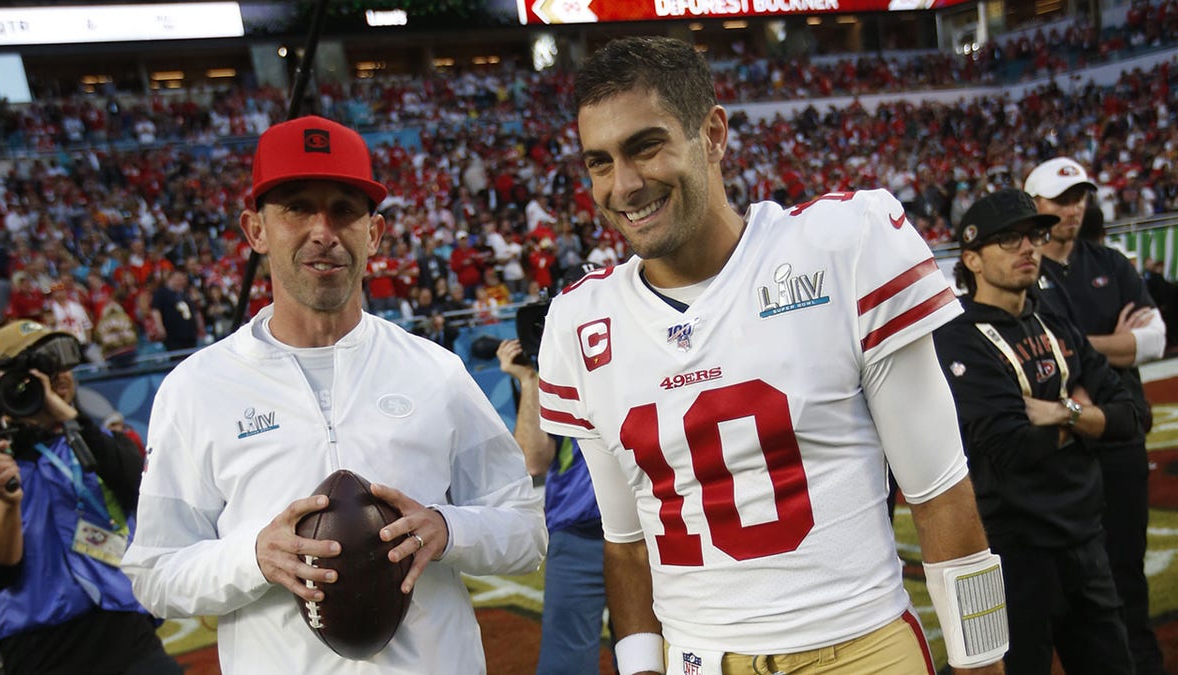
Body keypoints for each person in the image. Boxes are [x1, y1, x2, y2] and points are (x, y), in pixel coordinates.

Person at [537, 37, 1005, 675]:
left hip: (861, 645)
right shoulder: (578, 321)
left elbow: (943, 495)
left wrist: (983, 664)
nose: (623, 185)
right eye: (599, 162)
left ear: (713, 133)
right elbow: (625, 546)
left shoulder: (843, 245)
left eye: (646, 146)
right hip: (697, 657)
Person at [121, 115, 547, 673]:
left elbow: (524, 529)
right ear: (255, 230)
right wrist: (253, 556)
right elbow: (155, 574)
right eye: (297, 207)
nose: (323, 230)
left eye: (345, 209)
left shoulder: (435, 371)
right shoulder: (196, 389)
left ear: (374, 233)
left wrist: (447, 528)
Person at [934, 189, 1140, 674]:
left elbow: (1133, 417)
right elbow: (1013, 447)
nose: (1028, 248)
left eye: (1034, 236)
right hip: (1015, 554)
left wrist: (1062, 414)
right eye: (1008, 239)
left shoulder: (1052, 317)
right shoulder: (955, 335)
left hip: (1086, 538)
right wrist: (1089, 415)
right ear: (972, 259)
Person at [1026, 156, 1169, 675]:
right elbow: (1037, 352)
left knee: (1126, 565)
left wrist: (1077, 345)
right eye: (1061, 201)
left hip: (1121, 435)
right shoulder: (1024, 270)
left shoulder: (1111, 261)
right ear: (1035, 206)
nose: (1073, 209)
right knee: (1066, 577)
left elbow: (1154, 341)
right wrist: (1116, 342)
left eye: (1079, 198)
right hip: (1063, 448)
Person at [0, 320, 181, 675]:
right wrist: (7, 503)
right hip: (38, 649)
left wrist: (69, 419)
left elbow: (142, 490)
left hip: (124, 630)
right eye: (39, 371)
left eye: (61, 369)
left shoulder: (95, 441)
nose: (56, 378)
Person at [497, 338, 607, 675]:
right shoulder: (553, 377)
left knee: (649, 658)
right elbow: (531, 461)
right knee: (566, 664)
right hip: (578, 535)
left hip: (646, 531)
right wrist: (530, 380)